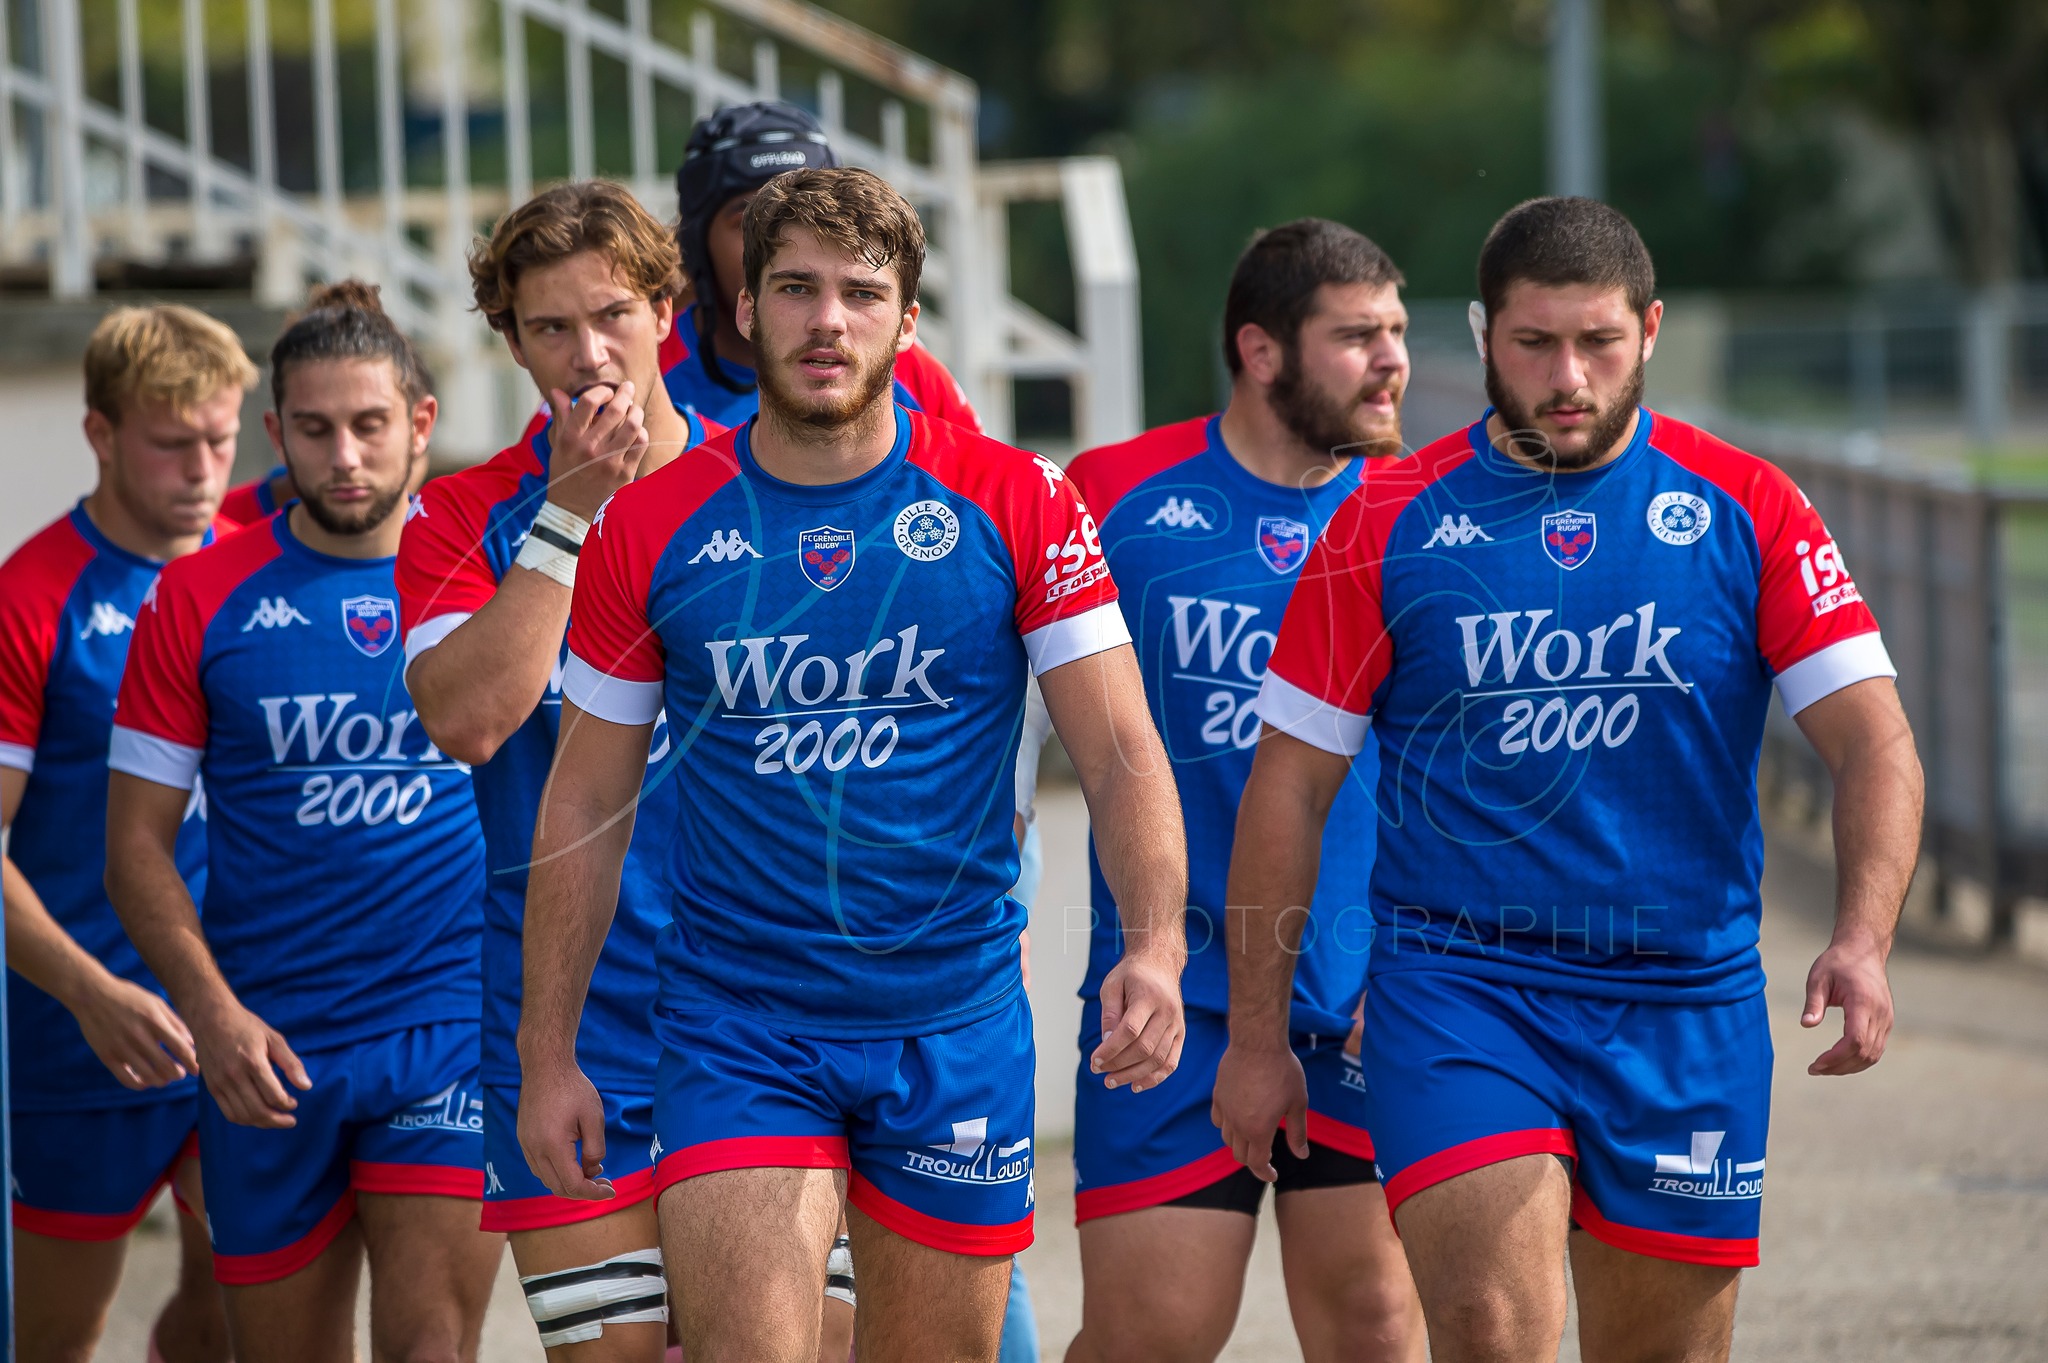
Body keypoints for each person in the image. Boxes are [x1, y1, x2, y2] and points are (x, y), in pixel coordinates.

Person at [1213, 197, 1924, 1363]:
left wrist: (1861, 934)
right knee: (1490, 1326)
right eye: (1532, 343)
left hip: (1682, 1000)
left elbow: (1873, 741)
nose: (1566, 378)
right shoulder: (1384, 518)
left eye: (1596, 342)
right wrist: (1255, 1039)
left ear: (1648, 329)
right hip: (1459, 987)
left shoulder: (1746, 506)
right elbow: (1287, 787)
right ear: (1483, 335)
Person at [521, 165, 1189, 1363]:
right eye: (794, 289)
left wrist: (1152, 942)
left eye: (859, 293)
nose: (826, 320)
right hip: (738, 1025)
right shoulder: (649, 522)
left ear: (906, 321)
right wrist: (546, 1051)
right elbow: (584, 797)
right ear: (741, 311)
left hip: (954, 1017)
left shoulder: (1014, 496)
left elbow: (1121, 747)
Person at [397, 178, 763, 1361]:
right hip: (565, 1021)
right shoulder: (459, 515)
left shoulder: (766, 485)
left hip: (759, 1012)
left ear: (666, 309)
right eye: (549, 327)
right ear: (508, 341)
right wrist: (567, 516)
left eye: (610, 314)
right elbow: (469, 722)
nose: (586, 352)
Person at [105, 281, 502, 1363]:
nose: (345, 457)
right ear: (274, 433)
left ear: (419, 424)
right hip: (265, 1050)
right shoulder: (197, 597)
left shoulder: (492, 577)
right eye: (316, 430)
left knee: (430, 1348)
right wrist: (213, 1017)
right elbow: (133, 845)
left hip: (445, 1031)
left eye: (370, 426)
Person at [1060, 219, 1424, 1363]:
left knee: (1373, 1327)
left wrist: (1419, 962)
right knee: (1147, 1338)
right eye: (1354, 335)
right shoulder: (1112, 495)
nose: (1390, 361)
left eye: (1397, 332)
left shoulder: (1424, 513)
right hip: (1174, 998)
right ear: (1260, 352)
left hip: (1366, 992)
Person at [0, 304, 251, 1363]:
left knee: (237, 1316)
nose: (202, 468)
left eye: (222, 439)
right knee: (55, 1338)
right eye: (171, 442)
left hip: (238, 1022)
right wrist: (87, 992)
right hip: (78, 1036)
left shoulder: (259, 564)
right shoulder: (32, 597)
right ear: (101, 434)